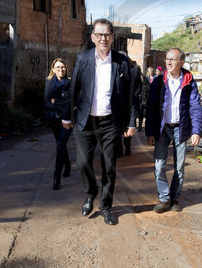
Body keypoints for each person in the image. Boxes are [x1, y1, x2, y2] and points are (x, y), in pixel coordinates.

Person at [69, 18, 135, 225]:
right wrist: (66, 116)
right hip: (86, 122)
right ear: (93, 37)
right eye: (99, 35)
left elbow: (130, 96)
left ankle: (106, 206)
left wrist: (131, 122)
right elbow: (73, 90)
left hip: (110, 123)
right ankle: (91, 193)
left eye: (107, 34)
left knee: (109, 167)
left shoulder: (121, 62)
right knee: (82, 163)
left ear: (112, 37)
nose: (103, 38)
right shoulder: (82, 59)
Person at [146, 48, 202, 213]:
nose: (168, 62)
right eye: (167, 59)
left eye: (172, 59)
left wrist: (196, 131)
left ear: (181, 62)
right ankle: (164, 199)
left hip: (181, 128)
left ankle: (175, 198)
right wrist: (150, 133)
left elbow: (195, 107)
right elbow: (151, 109)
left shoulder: (188, 81)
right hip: (162, 129)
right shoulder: (158, 81)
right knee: (159, 166)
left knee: (179, 168)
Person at [44, 58, 72, 191]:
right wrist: (62, 104)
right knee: (60, 145)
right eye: (58, 67)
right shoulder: (50, 83)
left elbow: (72, 103)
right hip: (54, 120)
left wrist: (56, 102)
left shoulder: (70, 83)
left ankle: (56, 177)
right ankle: (67, 164)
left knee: (61, 145)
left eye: (63, 67)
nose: (61, 69)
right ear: (53, 69)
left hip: (67, 121)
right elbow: (46, 103)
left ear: (66, 69)